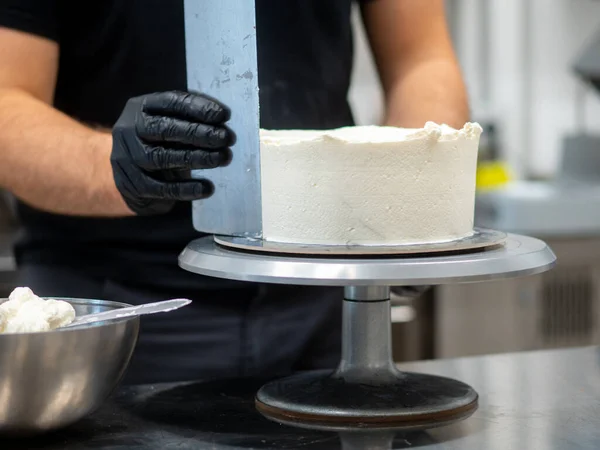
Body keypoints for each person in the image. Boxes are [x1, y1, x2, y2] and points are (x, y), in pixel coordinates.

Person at [0, 0, 469, 384]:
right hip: (118, 312)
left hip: (321, 297)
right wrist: (113, 167)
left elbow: (421, 59)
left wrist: (413, 203)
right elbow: (7, 103)